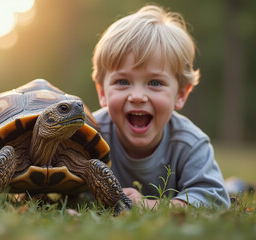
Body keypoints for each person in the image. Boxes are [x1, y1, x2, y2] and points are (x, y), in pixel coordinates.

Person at [91, 4, 230, 209]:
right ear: (102, 92)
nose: (137, 97)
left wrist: (148, 205)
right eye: (122, 82)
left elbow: (214, 198)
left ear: (181, 94)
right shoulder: (91, 135)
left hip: (178, 192)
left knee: (225, 188)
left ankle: (234, 185)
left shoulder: (189, 143)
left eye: (155, 83)